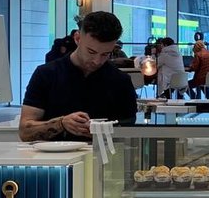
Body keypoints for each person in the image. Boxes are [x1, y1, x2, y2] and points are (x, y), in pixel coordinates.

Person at [19, 11, 136, 141]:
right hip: (52, 153)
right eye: (91, 52)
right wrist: (61, 124)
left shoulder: (121, 81)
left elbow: (130, 134)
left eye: (105, 54)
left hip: (102, 153)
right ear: (77, 38)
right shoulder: (46, 74)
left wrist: (102, 131)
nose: (97, 61)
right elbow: (25, 132)